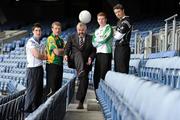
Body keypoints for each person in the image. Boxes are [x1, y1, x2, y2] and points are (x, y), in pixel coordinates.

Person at [64, 22, 96, 109]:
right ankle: (81, 71)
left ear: (86, 30)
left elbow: (94, 51)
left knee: (84, 80)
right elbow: (67, 47)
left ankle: (80, 102)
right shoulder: (71, 37)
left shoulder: (90, 38)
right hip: (74, 61)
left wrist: (91, 58)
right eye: (79, 30)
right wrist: (66, 54)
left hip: (86, 63)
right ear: (76, 30)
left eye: (82, 30)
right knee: (78, 53)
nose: (81, 32)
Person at [25, 23, 47, 113]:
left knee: (39, 91)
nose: (38, 32)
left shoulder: (41, 43)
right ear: (33, 31)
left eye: (39, 30)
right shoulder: (30, 42)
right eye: (36, 30)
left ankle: (36, 112)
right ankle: (27, 112)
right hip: (32, 69)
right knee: (32, 91)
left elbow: (44, 54)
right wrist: (45, 57)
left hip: (39, 68)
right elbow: (37, 55)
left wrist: (43, 56)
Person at [92, 12, 113, 94]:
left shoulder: (109, 28)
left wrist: (98, 40)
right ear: (97, 20)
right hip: (98, 54)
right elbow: (93, 43)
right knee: (96, 74)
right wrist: (99, 40)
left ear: (106, 19)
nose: (101, 21)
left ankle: (104, 93)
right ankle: (97, 93)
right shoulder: (96, 31)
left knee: (104, 74)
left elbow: (105, 39)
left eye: (102, 19)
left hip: (106, 53)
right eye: (99, 19)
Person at [46, 21, 64, 96]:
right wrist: (63, 50)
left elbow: (67, 51)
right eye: (56, 28)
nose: (57, 30)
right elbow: (57, 52)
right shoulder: (51, 38)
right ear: (52, 29)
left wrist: (63, 51)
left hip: (60, 65)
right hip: (52, 65)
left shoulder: (61, 40)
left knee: (58, 89)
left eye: (59, 29)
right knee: (51, 91)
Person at [113, 4, 132, 73]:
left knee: (122, 70)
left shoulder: (126, 21)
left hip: (123, 48)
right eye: (115, 13)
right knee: (117, 70)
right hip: (117, 48)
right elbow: (116, 35)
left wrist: (114, 32)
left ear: (123, 10)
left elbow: (118, 36)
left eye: (118, 11)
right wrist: (115, 32)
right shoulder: (119, 21)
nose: (117, 14)